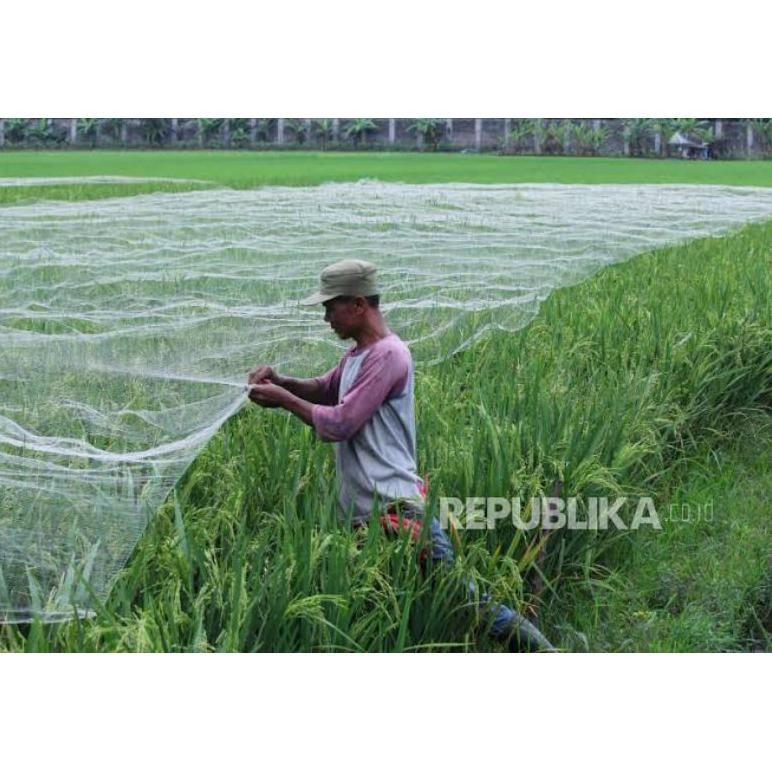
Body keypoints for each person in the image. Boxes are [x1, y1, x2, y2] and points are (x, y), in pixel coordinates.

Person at [247, 259, 554, 652]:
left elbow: (341, 423)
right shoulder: (357, 355)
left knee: (469, 604)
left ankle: (549, 654)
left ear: (358, 305)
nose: (326, 318)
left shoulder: (389, 355)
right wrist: (283, 382)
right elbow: (326, 389)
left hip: (397, 510)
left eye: (330, 307)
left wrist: (283, 400)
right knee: (374, 609)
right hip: (364, 516)